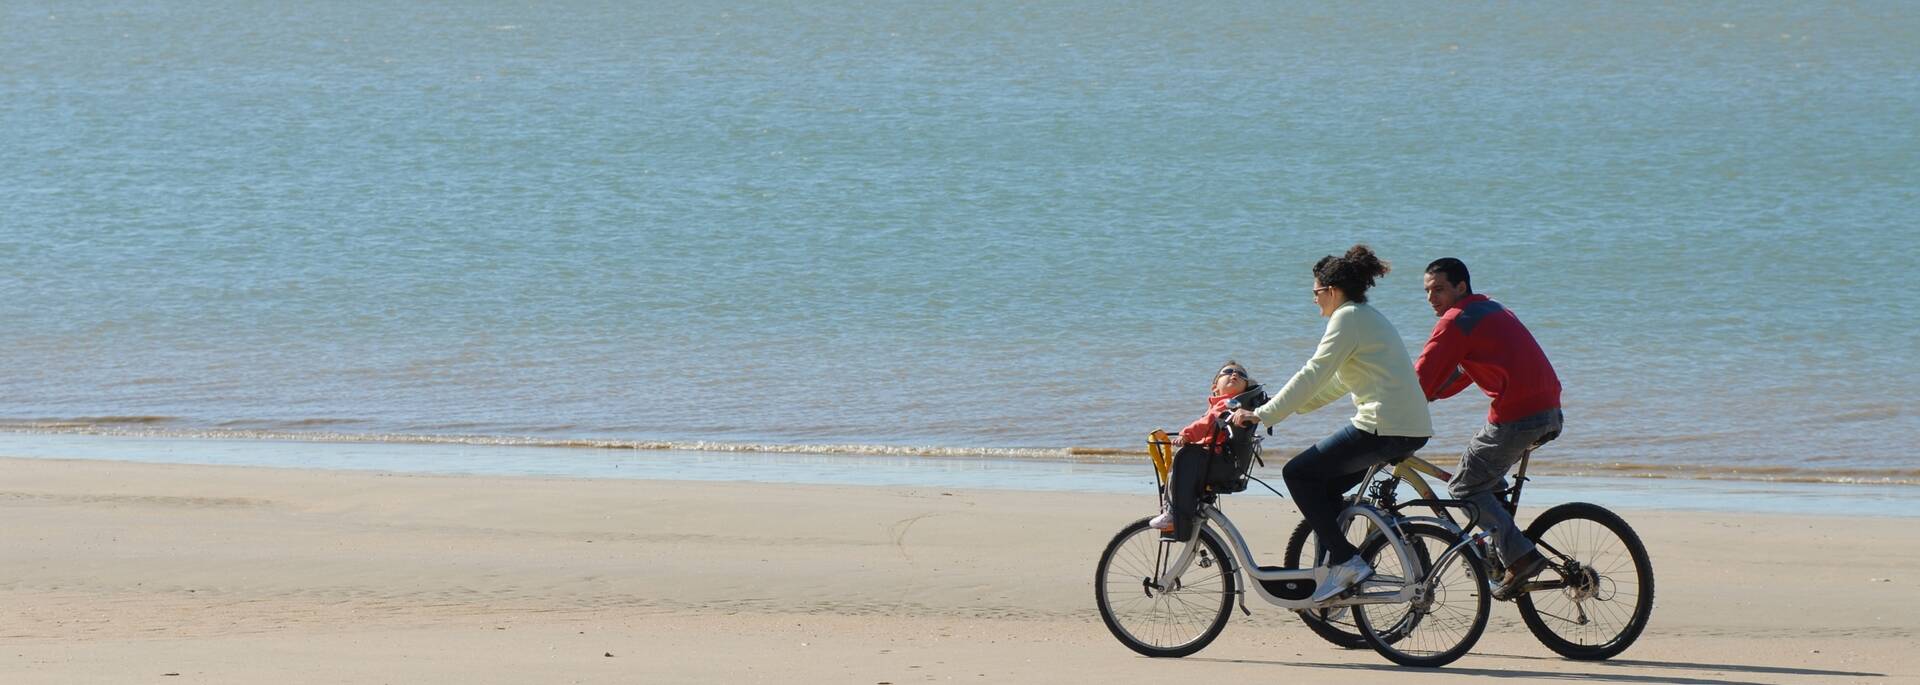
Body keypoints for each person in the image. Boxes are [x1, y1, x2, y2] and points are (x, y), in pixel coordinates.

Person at [1228, 245, 1433, 604]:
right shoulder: (1366, 316)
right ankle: (1339, 572)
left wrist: (1264, 414)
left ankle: (1346, 561)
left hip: (1383, 425)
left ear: (1332, 291)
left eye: (1315, 293)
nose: (1314, 301)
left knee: (1299, 474)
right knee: (1323, 487)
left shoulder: (1348, 318)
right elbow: (1338, 381)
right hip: (1408, 427)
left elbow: (1314, 370)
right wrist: (1283, 406)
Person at [1415, 257, 1564, 598]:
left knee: (1464, 488)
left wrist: (1402, 400)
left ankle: (1521, 557)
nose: (1431, 298)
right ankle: (1501, 551)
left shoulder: (1456, 321)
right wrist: (1432, 393)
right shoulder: (1492, 309)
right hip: (1549, 410)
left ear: (1461, 287)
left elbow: (1422, 376)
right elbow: (1462, 372)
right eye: (1426, 292)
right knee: (1484, 475)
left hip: (1518, 416)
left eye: (1439, 289)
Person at [1149, 361, 1259, 541]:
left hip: (1215, 460)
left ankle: (1172, 514)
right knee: (1180, 468)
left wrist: (1186, 435)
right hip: (1224, 461)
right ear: (1214, 387)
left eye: (1241, 375)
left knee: (1180, 466)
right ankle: (1182, 511)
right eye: (1228, 372)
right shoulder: (1231, 405)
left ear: (1245, 388)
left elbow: (1206, 423)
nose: (1235, 375)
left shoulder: (1228, 403)